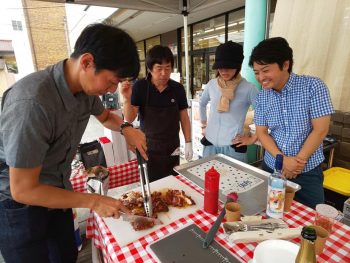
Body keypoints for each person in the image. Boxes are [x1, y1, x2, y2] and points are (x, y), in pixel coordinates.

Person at [0, 23, 147, 263]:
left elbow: (107, 117)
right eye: (112, 82)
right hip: (18, 207)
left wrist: (126, 128)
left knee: (66, 256)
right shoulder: (32, 102)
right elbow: (24, 189)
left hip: (57, 192)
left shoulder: (85, 92)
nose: (111, 89)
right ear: (87, 62)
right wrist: (94, 200)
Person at [249, 37, 334, 209]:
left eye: (265, 70)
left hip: (307, 172)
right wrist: (282, 160)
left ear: (285, 65)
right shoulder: (262, 96)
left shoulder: (313, 86)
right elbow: (262, 133)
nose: (260, 77)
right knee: (269, 215)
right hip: (272, 168)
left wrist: (295, 164)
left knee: (310, 222)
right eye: (256, 72)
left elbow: (320, 131)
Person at [121, 45, 192, 182]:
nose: (164, 73)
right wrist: (126, 99)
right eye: (159, 68)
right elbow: (130, 118)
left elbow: (183, 116)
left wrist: (188, 141)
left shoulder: (177, 89)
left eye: (168, 68)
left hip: (172, 147)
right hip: (147, 147)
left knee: (173, 184)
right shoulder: (140, 87)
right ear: (150, 68)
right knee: (150, 185)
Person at [199, 41, 259, 162]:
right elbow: (202, 104)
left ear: (238, 66)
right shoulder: (212, 84)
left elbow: (264, 112)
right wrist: (204, 125)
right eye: (221, 67)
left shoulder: (248, 88)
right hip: (210, 143)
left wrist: (253, 137)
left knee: (234, 180)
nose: (224, 71)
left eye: (229, 67)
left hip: (233, 146)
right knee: (208, 178)